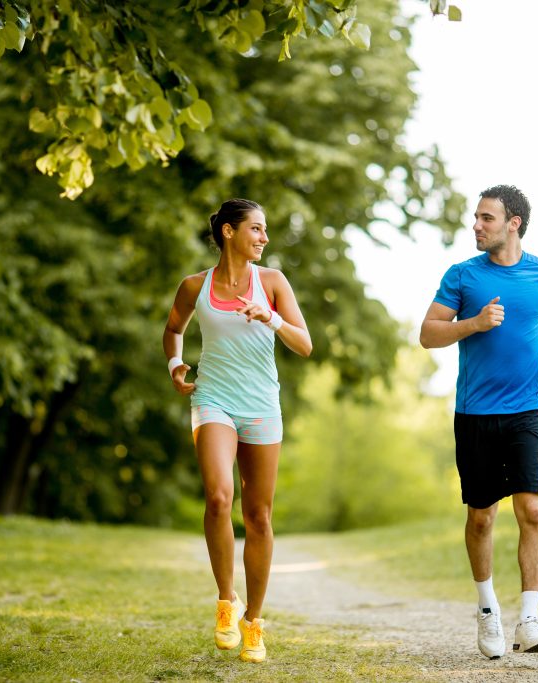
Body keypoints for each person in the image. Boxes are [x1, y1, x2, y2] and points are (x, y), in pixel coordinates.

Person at [419, 185, 538, 660]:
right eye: (476, 217)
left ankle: (530, 619)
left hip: (529, 406)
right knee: (482, 517)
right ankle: (488, 611)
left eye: (487, 218)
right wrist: (474, 324)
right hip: (476, 413)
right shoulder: (462, 276)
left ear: (514, 223)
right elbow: (428, 334)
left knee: (532, 510)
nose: (477, 226)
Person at [163, 198, 312, 663]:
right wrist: (174, 363)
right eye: (257, 229)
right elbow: (173, 329)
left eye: (265, 231)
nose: (265, 238)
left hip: (262, 405)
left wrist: (272, 317)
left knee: (260, 516)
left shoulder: (272, 283)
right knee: (218, 496)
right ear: (229, 232)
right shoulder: (195, 286)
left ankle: (254, 621)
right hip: (213, 399)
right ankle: (226, 601)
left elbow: (304, 344)